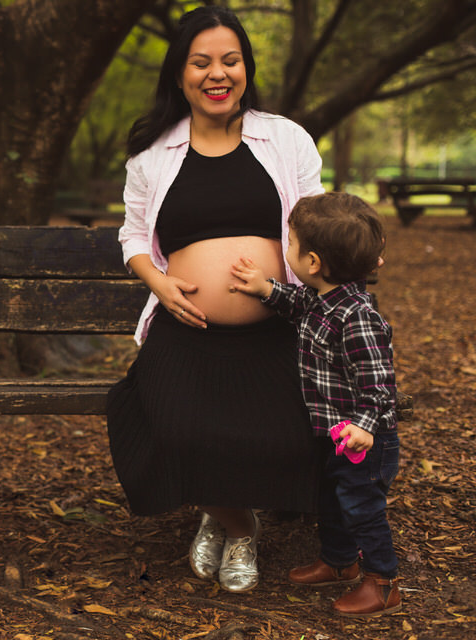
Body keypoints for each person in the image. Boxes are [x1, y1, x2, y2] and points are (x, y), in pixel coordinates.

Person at [105, 5, 324, 594]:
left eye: (231, 60)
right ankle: (239, 523)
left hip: (277, 327)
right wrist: (158, 282)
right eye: (201, 62)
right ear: (180, 73)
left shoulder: (285, 139)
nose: (217, 73)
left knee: (288, 431)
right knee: (173, 427)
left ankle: (219, 512)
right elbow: (132, 236)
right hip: (188, 329)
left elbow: (316, 223)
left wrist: (285, 287)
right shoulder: (153, 155)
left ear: (246, 69)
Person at [230, 192, 401, 617]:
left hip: (363, 441)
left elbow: (379, 384)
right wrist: (266, 288)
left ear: (311, 262)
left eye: (289, 243)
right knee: (331, 501)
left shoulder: (357, 317)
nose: (285, 249)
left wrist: (363, 426)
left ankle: (382, 583)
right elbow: (299, 304)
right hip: (335, 434)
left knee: (362, 510)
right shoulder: (326, 298)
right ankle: (339, 562)